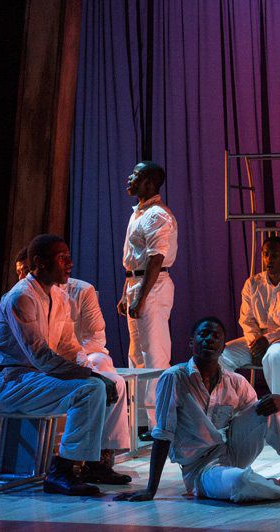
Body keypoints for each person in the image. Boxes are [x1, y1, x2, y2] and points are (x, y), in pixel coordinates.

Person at [114, 317, 280, 503]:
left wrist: (279, 402)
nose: (209, 340)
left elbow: (260, 418)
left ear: (223, 347)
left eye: (216, 336)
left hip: (233, 453)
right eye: (203, 334)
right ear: (191, 342)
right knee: (240, 484)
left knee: (268, 409)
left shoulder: (235, 381)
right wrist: (150, 490)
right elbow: (163, 434)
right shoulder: (174, 378)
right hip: (201, 469)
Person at [0, 234, 131, 495]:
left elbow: (68, 346)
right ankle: (61, 471)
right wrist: (89, 376)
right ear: (40, 262)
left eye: (69, 257)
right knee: (90, 389)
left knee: (110, 384)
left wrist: (92, 371)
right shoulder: (21, 297)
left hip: (37, 377)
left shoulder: (60, 297)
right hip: (10, 382)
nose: (69, 263)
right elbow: (40, 355)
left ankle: (94, 462)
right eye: (62, 257)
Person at [220, 236, 280, 422]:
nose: (269, 259)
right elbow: (246, 319)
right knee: (222, 354)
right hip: (256, 339)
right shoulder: (252, 283)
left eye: (274, 255)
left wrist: (268, 339)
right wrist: (255, 341)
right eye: (265, 255)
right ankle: (232, 412)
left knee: (275, 355)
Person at [116, 161, 178, 440]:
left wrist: (140, 297)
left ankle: (159, 422)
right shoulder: (138, 213)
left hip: (152, 287)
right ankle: (141, 421)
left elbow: (155, 259)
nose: (129, 178)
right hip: (136, 284)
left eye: (136, 176)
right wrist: (125, 293)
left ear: (150, 183)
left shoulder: (157, 215)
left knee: (154, 355)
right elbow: (135, 261)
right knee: (136, 356)